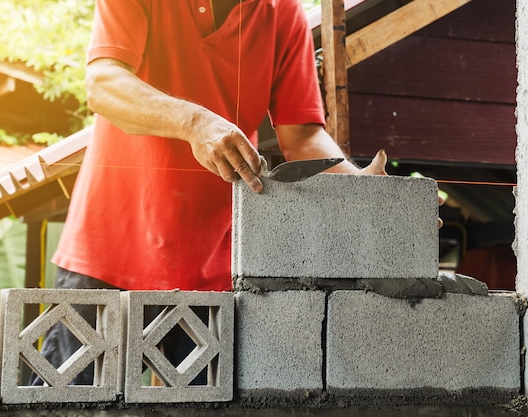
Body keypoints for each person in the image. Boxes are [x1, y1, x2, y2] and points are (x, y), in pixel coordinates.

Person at [33, 0, 388, 385]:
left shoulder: (283, 13)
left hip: (213, 274)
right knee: (71, 404)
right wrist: (194, 122)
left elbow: (301, 136)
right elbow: (103, 84)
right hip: (106, 256)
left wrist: (368, 195)